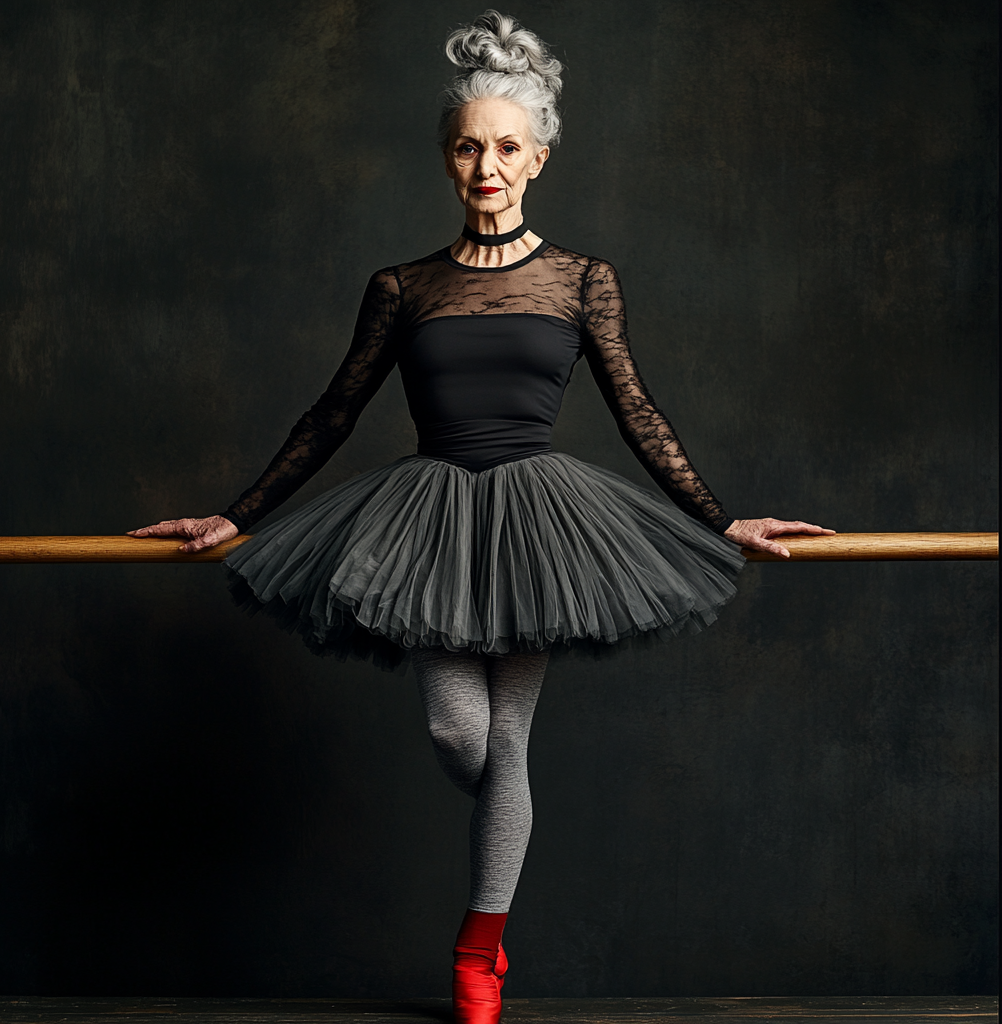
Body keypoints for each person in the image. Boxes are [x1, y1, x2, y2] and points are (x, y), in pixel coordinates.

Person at [130, 11, 832, 1023]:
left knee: (510, 732)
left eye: (507, 147)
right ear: (447, 157)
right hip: (430, 519)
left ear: (538, 158)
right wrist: (235, 513)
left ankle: (478, 945)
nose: (487, 165)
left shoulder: (583, 280)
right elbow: (333, 412)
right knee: (464, 732)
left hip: (547, 523)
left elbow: (637, 408)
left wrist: (719, 519)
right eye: (469, 146)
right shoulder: (402, 286)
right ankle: (487, 913)